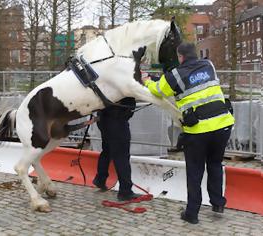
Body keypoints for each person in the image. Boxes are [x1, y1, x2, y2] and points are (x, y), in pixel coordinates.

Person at [141, 42, 234, 224]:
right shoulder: (209, 65)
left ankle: (192, 214)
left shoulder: (175, 75)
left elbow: (159, 90)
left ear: (180, 56)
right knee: (215, 164)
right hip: (223, 124)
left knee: (195, 171)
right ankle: (218, 203)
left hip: (199, 130)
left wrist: (147, 80)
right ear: (196, 54)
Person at [92, 97, 141, 201]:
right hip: (116, 119)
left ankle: (100, 179)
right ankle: (125, 191)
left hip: (104, 119)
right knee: (122, 156)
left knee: (107, 150)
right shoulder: (123, 81)